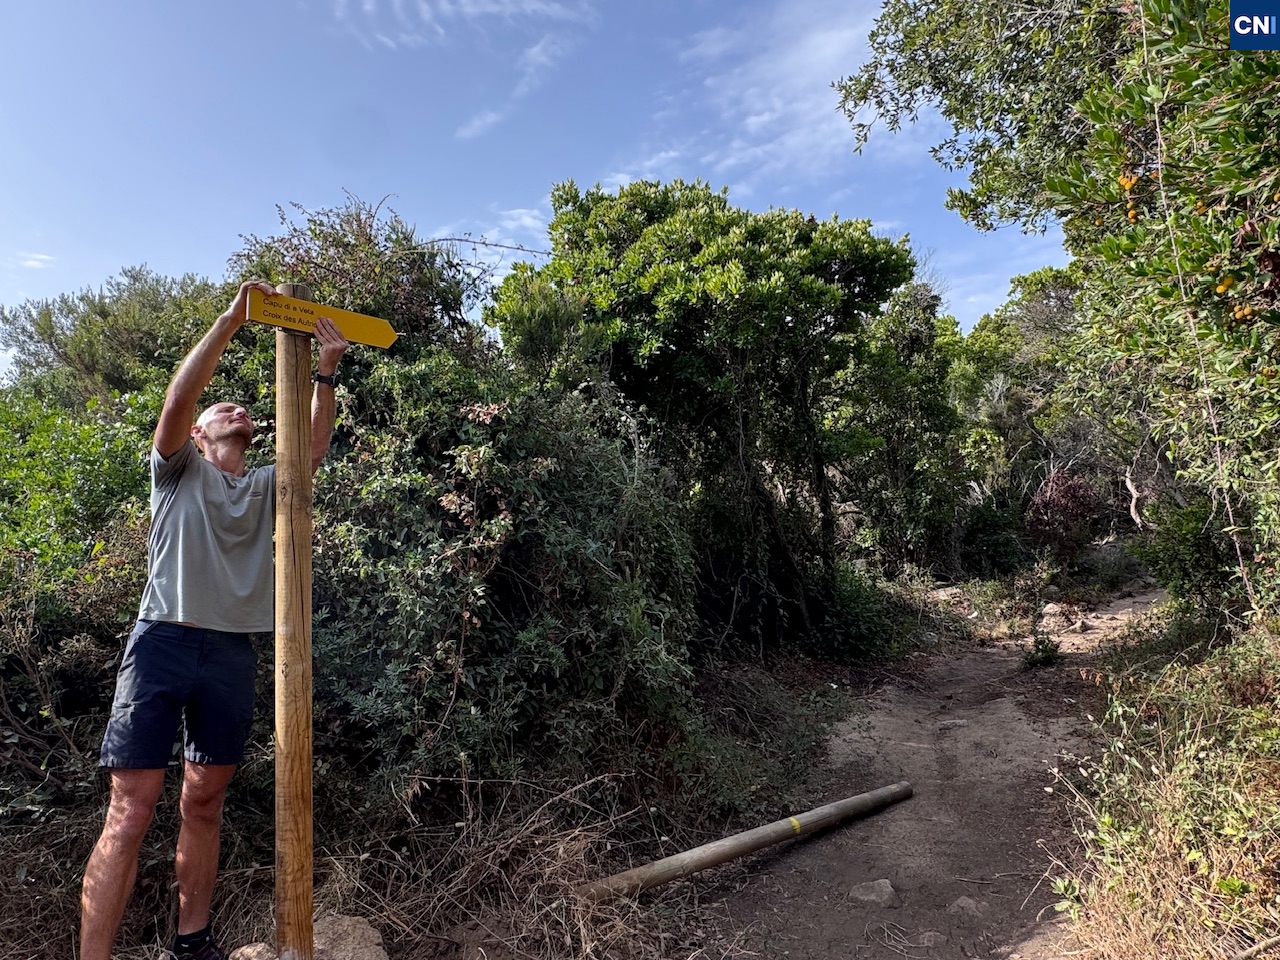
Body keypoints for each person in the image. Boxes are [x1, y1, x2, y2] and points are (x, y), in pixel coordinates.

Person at [79, 280, 349, 960]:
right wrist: (232, 320)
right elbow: (177, 400)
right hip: (164, 640)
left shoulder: (261, 485)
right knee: (131, 811)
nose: (236, 409)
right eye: (221, 407)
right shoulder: (176, 472)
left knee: (203, 802)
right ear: (199, 435)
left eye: (243, 408)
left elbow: (311, 452)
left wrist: (324, 375)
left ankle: (192, 941)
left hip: (231, 652)